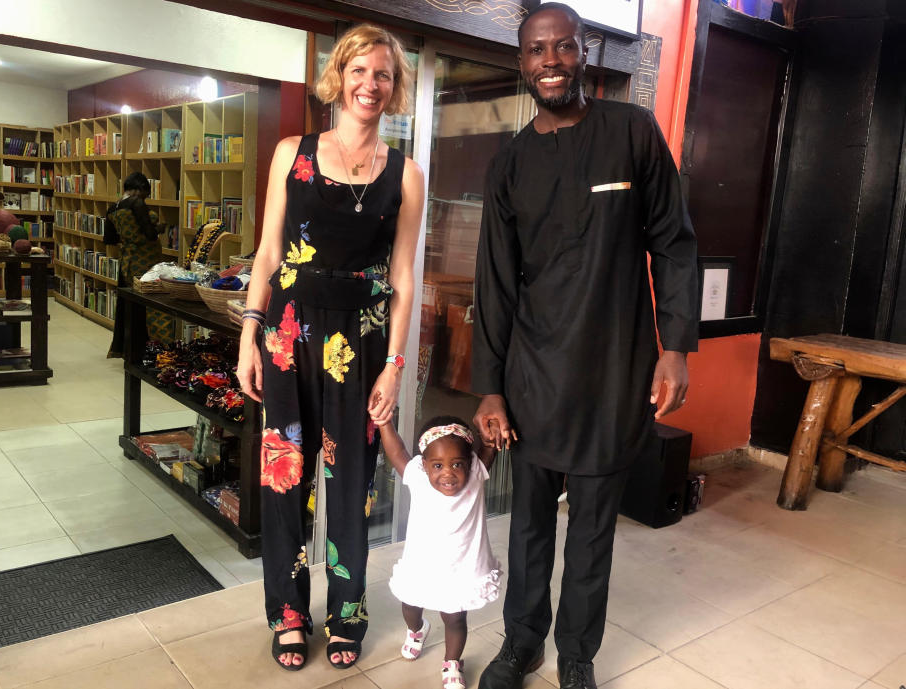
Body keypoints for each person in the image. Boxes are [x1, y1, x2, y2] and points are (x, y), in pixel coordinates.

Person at [471, 4, 699, 689]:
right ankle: (522, 643)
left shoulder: (631, 132)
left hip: (613, 370)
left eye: (563, 47)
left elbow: (676, 242)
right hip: (533, 374)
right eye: (537, 50)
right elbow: (495, 283)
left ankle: (577, 654)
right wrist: (489, 385)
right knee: (531, 526)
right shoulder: (509, 163)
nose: (551, 61)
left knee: (594, 530)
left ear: (584, 51)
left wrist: (677, 344)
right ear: (522, 61)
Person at [236, 24, 425, 672]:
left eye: (384, 74)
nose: (370, 83)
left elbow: (402, 277)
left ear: (394, 87)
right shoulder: (293, 152)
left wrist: (397, 365)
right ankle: (288, 613)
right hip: (287, 336)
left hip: (363, 343)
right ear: (339, 76)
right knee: (285, 478)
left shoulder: (406, 174)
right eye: (360, 69)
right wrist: (249, 336)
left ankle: (348, 614)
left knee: (351, 489)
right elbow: (266, 252)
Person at [378, 415, 501, 689]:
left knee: (454, 616)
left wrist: (491, 430)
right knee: (410, 605)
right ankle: (417, 629)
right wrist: (384, 423)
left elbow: (489, 446)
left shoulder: (475, 475)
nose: (448, 473)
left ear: (470, 463)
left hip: (463, 567)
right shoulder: (418, 478)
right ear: (424, 466)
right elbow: (396, 451)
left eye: (457, 464)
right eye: (437, 465)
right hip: (422, 564)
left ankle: (453, 662)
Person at [104, 171, 172, 356]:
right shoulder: (137, 203)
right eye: (146, 192)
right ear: (139, 189)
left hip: (126, 260)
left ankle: (124, 347)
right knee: (147, 304)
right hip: (145, 260)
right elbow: (149, 234)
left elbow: (110, 238)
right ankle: (146, 347)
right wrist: (160, 227)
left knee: (128, 303)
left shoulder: (112, 207)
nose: (146, 197)